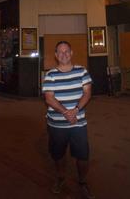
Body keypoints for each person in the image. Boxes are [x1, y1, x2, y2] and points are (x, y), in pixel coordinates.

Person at [42, 41, 94, 198]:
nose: (64, 54)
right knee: (58, 155)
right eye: (60, 52)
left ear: (71, 53)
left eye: (67, 51)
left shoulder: (82, 71)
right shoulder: (50, 74)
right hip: (57, 124)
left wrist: (76, 110)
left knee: (83, 156)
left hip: (78, 123)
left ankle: (82, 181)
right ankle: (60, 178)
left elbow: (87, 93)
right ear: (56, 56)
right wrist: (66, 112)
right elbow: (49, 98)